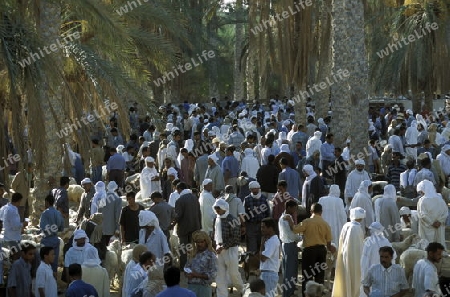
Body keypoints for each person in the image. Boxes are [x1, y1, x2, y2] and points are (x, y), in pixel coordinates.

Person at [286, 203, 335, 297]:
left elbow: (295, 229)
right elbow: (329, 244)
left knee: (307, 276)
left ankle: (307, 294)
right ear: (321, 212)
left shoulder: (307, 221)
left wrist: (289, 220)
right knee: (320, 276)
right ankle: (318, 294)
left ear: (311, 211)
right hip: (321, 251)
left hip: (309, 251)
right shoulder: (326, 224)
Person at [212, 198, 244, 297]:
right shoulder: (216, 219)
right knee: (220, 275)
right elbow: (215, 234)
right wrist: (216, 246)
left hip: (230, 250)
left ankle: (242, 289)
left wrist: (223, 247)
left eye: (219, 208)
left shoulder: (232, 220)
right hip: (219, 250)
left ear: (224, 208)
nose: (217, 210)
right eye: (216, 208)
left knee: (233, 274)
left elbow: (235, 238)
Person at [332, 207, 365, 297]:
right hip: (355, 258)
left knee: (345, 276)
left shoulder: (346, 225)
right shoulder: (357, 228)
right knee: (354, 277)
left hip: (344, 255)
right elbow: (359, 247)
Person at [360, 223, 397, 297]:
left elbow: (364, 260)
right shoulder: (386, 241)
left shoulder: (369, 242)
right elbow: (394, 256)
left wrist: (364, 273)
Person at [170, 182, 201, 270]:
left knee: (183, 248)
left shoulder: (180, 200)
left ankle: (183, 267)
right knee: (194, 247)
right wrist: (199, 225)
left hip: (184, 228)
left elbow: (178, 215)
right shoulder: (195, 198)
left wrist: (172, 225)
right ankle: (194, 265)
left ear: (180, 189)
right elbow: (199, 212)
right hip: (195, 226)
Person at [185, 231, 217, 297]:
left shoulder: (211, 255)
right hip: (192, 286)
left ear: (206, 242)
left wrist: (197, 275)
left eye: (202, 242)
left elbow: (213, 275)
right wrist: (187, 273)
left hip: (204, 287)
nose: (199, 244)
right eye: (197, 242)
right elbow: (186, 267)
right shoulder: (192, 254)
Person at [416, 180, 448, 249]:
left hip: (427, 229)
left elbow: (422, 215)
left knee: (427, 247)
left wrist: (431, 223)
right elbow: (445, 212)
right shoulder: (440, 199)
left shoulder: (422, 200)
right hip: (439, 227)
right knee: (438, 247)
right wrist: (439, 221)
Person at [279, 200, 301, 297]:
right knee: (290, 272)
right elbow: (292, 236)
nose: (295, 210)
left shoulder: (285, 217)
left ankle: (288, 292)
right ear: (289, 208)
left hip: (286, 245)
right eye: (294, 208)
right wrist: (301, 238)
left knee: (287, 271)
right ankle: (288, 293)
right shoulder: (286, 219)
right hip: (290, 245)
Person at [40, 194, 64, 274]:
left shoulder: (45, 213)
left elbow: (43, 227)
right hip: (55, 239)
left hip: (46, 240)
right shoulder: (58, 213)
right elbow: (61, 228)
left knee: (45, 261)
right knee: (54, 261)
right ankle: (54, 280)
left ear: (46, 202)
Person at [243, 181, 270, 252]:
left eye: (256, 189)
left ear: (258, 189)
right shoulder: (247, 199)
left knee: (262, 244)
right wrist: (244, 225)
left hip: (262, 225)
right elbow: (244, 213)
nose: (254, 190)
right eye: (253, 189)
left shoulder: (264, 198)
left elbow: (268, 212)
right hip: (251, 225)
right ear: (250, 189)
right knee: (252, 246)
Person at [318, 185, 347, 249]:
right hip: (336, 227)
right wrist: (345, 227)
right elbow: (343, 216)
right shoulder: (339, 201)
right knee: (335, 246)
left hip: (323, 226)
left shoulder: (322, 199)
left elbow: (317, 213)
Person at [259, 218, 280, 296]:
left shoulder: (272, 241)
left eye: (263, 227)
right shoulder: (271, 240)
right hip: (267, 274)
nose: (262, 229)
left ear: (270, 228)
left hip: (269, 275)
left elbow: (263, 258)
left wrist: (261, 245)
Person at [100, 181, 122, 246]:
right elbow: (118, 215)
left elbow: (99, 212)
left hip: (102, 229)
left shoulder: (103, 198)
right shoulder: (117, 199)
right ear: (116, 188)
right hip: (112, 229)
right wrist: (118, 229)